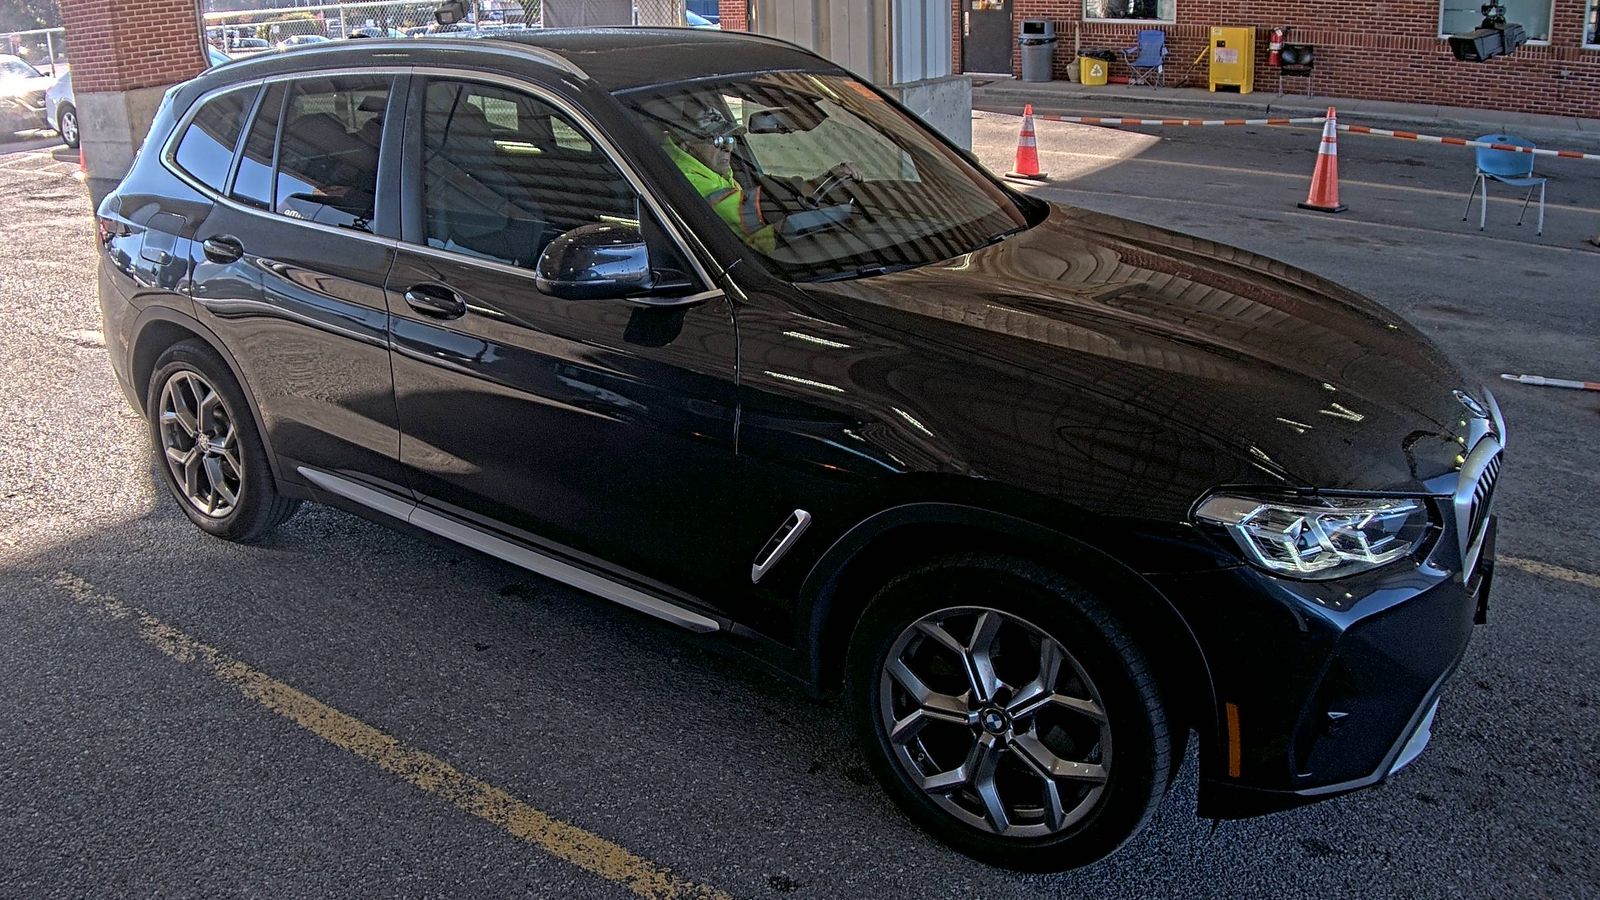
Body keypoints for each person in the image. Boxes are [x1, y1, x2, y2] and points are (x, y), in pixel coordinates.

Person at [662, 104, 863, 254]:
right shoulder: (686, 179)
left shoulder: (712, 171)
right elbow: (751, 206)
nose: (727, 148)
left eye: (730, 139)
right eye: (717, 140)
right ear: (687, 145)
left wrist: (823, 182)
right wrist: (811, 188)